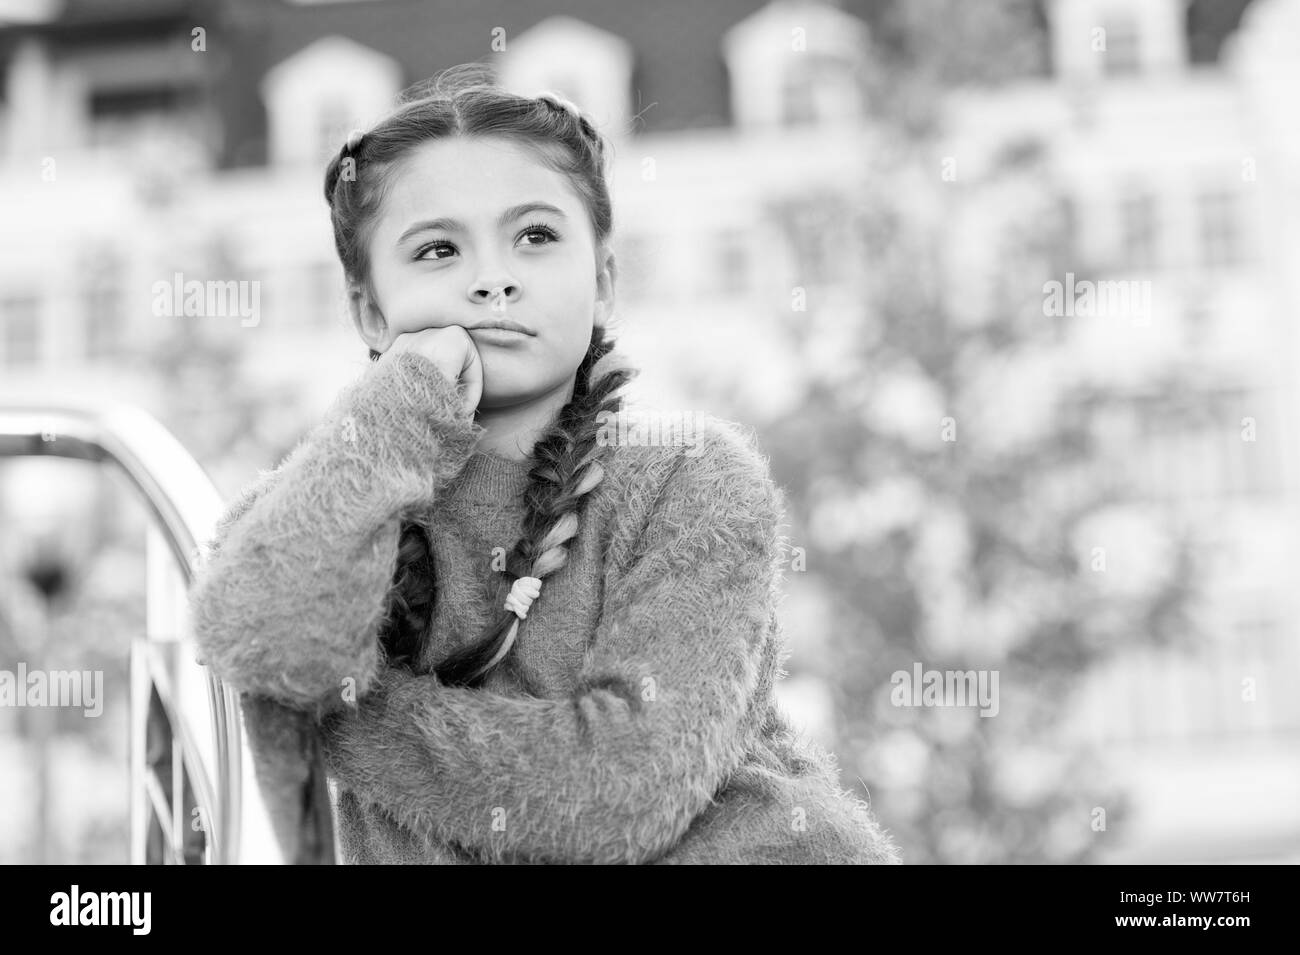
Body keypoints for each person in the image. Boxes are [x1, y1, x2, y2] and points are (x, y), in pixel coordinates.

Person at [187, 64, 901, 865]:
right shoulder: (327, 501)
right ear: (370, 309)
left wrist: (347, 714)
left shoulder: (690, 480)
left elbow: (625, 788)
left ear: (602, 282)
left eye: (535, 235)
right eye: (437, 249)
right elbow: (264, 639)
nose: (493, 278)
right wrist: (397, 407)